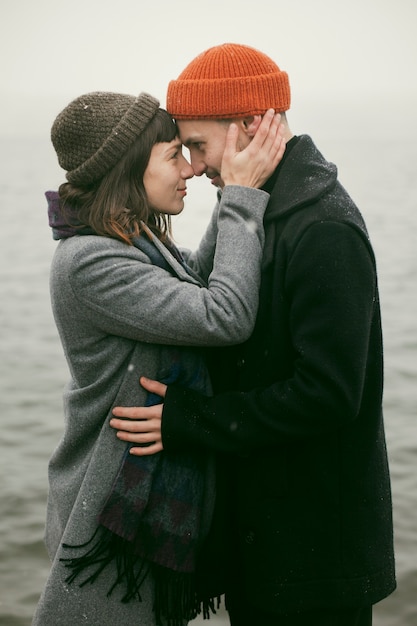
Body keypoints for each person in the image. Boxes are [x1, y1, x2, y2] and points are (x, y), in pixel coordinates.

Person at [110, 44, 397, 626]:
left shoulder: (324, 227)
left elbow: (330, 395)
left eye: (198, 144)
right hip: (269, 542)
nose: (193, 164)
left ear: (249, 125)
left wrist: (190, 421)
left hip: (317, 560)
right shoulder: (262, 209)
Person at [31, 90, 286, 626]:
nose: (191, 168)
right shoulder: (90, 261)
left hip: (137, 494)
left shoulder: (128, 236)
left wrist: (232, 191)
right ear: (128, 171)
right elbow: (223, 315)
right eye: (174, 155)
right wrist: (240, 196)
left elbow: (192, 279)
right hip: (112, 509)